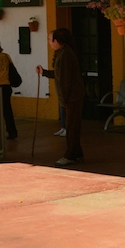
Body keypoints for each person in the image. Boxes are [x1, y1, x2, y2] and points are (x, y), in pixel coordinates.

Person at [36, 28, 85, 166]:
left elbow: (64, 80)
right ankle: (77, 153)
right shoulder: (62, 53)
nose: (49, 42)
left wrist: (64, 100)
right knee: (72, 127)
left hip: (72, 97)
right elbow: (59, 74)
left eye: (49, 39)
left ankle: (71, 155)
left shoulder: (65, 55)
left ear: (56, 41)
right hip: (70, 97)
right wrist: (44, 72)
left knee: (71, 128)